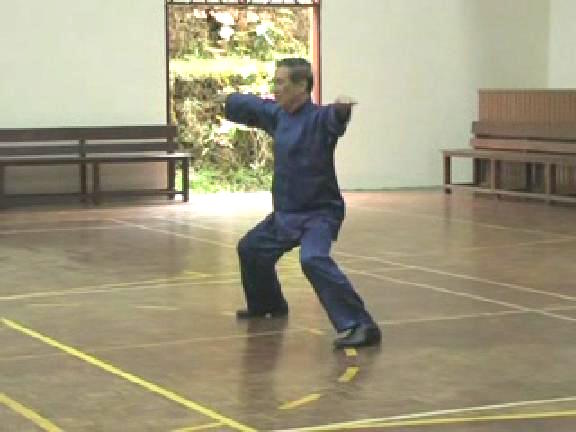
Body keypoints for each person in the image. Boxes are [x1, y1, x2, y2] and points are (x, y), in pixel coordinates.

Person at [224, 58, 380, 348]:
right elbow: (252, 106)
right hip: (286, 215)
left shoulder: (319, 119)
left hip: (319, 214)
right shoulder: (278, 116)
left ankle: (361, 325)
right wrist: (227, 99)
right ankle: (268, 304)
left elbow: (335, 119)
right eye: (275, 82)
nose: (276, 88)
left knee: (313, 259)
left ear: (301, 86)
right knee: (251, 249)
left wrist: (342, 111)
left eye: (281, 82)